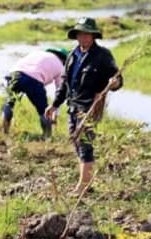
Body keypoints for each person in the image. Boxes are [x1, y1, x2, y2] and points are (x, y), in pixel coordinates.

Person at [44, 17, 123, 197]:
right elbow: (64, 84)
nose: (84, 37)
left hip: (91, 105)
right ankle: (87, 182)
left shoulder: (103, 55)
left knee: (85, 144)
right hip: (73, 105)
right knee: (75, 140)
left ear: (93, 36)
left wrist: (114, 83)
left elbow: (117, 79)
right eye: (81, 34)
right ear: (77, 35)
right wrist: (55, 104)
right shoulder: (72, 55)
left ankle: (83, 187)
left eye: (88, 34)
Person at [2, 48, 68, 137]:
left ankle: (5, 132)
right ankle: (47, 137)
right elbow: (59, 92)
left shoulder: (37, 53)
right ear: (64, 59)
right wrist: (55, 114)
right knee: (43, 111)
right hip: (34, 80)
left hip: (14, 74)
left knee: (9, 103)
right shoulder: (60, 66)